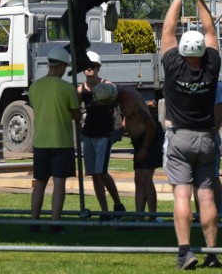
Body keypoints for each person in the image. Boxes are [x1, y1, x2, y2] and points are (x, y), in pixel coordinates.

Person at [161, 0, 221, 270]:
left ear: (182, 51)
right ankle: (211, 253)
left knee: (182, 194)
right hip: (206, 139)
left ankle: (185, 251)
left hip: (180, 138)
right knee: (206, 196)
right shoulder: (211, 67)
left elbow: (167, 31)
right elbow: (211, 31)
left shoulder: (173, 66)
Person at [28, 45, 82, 233]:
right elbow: (77, 116)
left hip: (41, 142)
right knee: (59, 184)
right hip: (61, 142)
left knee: (40, 184)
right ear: (60, 66)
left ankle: (34, 222)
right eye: (65, 67)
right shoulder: (67, 88)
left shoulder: (35, 87)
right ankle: (55, 222)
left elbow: (36, 107)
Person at [92, 82, 164, 219]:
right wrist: (122, 130)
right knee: (138, 179)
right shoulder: (119, 94)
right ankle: (139, 217)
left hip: (149, 138)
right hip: (139, 140)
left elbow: (150, 125)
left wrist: (144, 149)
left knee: (146, 178)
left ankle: (153, 217)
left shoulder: (130, 101)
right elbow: (129, 118)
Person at [77, 52, 125, 220]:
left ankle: (118, 205)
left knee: (102, 171)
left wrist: (121, 126)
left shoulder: (109, 86)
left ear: (98, 68)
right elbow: (75, 111)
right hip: (88, 134)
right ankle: (104, 211)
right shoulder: (81, 89)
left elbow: (122, 104)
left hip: (104, 134)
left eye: (93, 66)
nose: (90, 69)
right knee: (94, 173)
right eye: (87, 66)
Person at [193, 81, 222, 214]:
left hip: (208, 136)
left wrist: (210, 136)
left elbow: (218, 115)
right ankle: (200, 214)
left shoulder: (215, 86)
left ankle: (216, 215)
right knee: (195, 177)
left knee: (213, 176)